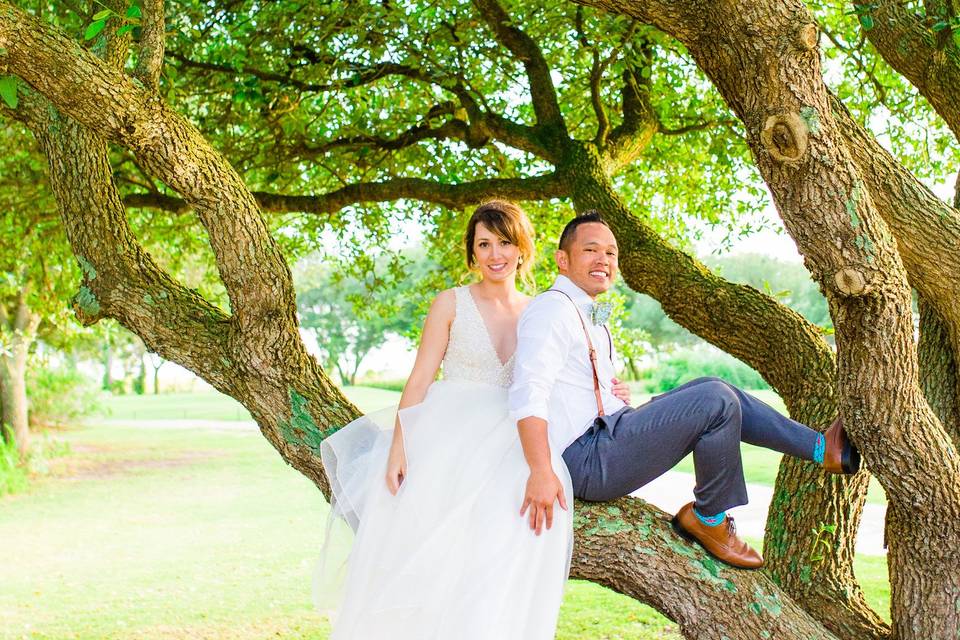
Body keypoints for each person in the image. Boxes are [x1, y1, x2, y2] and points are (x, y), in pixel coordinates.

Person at [319, 201, 630, 639]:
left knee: (496, 553)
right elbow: (420, 379)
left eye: (504, 242)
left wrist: (612, 392)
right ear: (472, 253)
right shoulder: (450, 303)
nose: (495, 254)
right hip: (447, 437)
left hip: (508, 441)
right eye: (484, 244)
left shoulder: (543, 310)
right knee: (429, 554)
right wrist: (398, 447)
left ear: (523, 249)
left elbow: (560, 383)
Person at [509, 210, 860, 570]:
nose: (604, 260)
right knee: (716, 401)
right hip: (587, 461)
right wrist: (540, 470)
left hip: (609, 434)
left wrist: (613, 395)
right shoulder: (551, 309)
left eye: (612, 253)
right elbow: (528, 392)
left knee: (717, 387)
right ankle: (710, 519)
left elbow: (573, 386)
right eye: (591, 250)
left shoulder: (584, 311)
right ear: (562, 260)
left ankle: (822, 449)